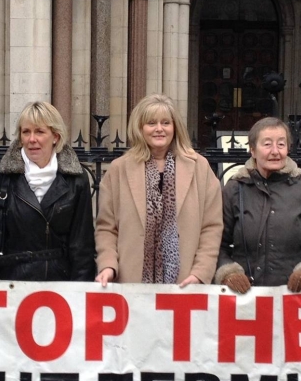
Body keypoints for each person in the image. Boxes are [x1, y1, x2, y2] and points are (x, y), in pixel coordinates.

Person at [95, 93, 222, 286]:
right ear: (140, 128)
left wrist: (200, 272)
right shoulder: (119, 169)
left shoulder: (199, 167)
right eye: (151, 123)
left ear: (175, 127)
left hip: (185, 284)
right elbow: (106, 227)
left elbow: (211, 227)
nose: (159, 129)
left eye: (166, 123)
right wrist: (108, 266)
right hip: (132, 284)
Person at [0, 101, 95, 281]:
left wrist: (78, 291)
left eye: (40, 131)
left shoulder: (76, 179)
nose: (31, 139)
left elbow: (82, 244)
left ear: (56, 137)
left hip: (58, 284)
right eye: (26, 132)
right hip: (9, 282)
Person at [214, 117, 301, 294]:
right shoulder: (234, 190)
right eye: (267, 144)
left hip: (292, 296)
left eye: (281, 145)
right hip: (244, 298)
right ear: (252, 150)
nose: (275, 151)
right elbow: (217, 244)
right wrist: (228, 273)